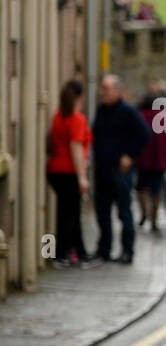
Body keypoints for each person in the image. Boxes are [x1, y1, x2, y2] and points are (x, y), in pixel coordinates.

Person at [90, 74, 150, 265]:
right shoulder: (101, 110)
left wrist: (130, 155)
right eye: (102, 89)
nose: (103, 93)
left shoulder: (127, 111)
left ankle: (127, 251)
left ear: (117, 91)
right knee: (102, 212)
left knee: (124, 212)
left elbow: (144, 134)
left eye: (106, 89)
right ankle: (104, 249)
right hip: (102, 170)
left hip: (120, 171)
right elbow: (96, 135)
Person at [46, 79, 92, 267]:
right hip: (69, 171)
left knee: (65, 212)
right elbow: (75, 147)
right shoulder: (77, 119)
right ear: (80, 97)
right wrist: (82, 177)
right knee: (70, 214)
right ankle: (64, 253)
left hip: (54, 170)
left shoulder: (57, 116)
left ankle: (75, 252)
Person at [135, 80, 166, 236]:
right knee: (156, 191)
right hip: (158, 159)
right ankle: (154, 220)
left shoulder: (139, 116)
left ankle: (144, 213)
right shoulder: (163, 117)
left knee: (141, 187)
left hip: (142, 159)